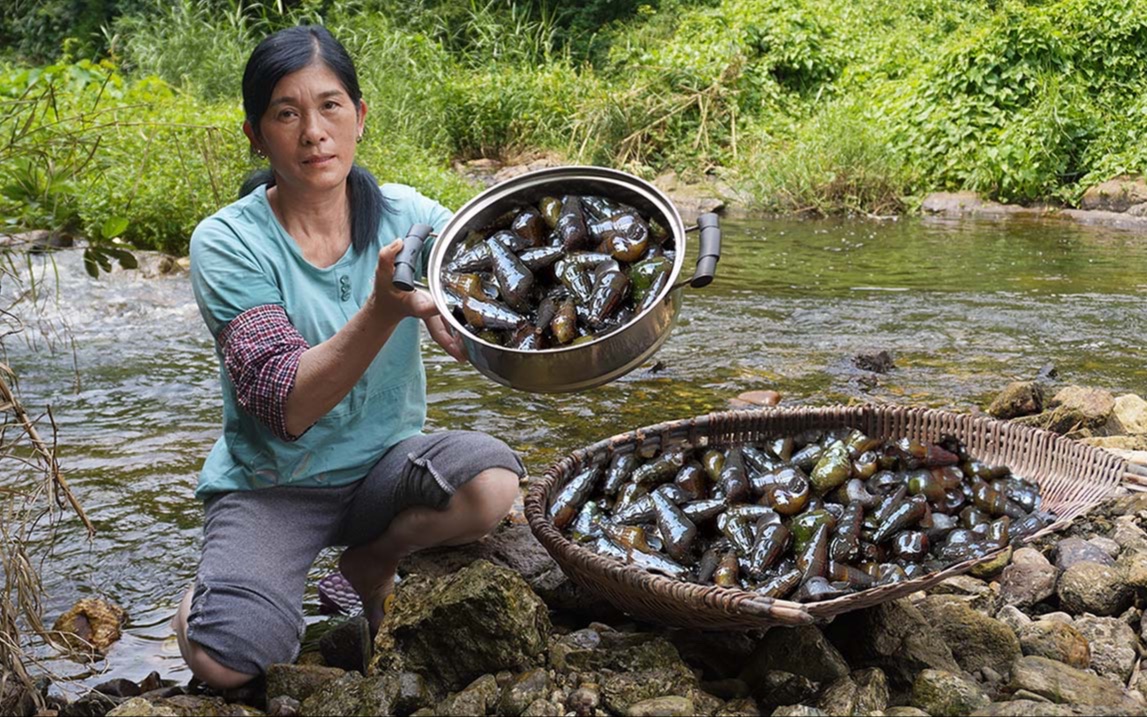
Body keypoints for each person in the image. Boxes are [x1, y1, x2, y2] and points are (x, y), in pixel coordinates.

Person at [174, 24, 524, 689]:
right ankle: (204, 602)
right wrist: (382, 310)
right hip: (272, 483)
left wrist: (478, 330)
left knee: (493, 482)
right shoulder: (225, 243)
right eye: (286, 112)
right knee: (228, 663)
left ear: (360, 117)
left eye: (330, 105)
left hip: (384, 468)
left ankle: (373, 560)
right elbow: (286, 405)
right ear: (255, 133)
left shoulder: (411, 218)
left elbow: (498, 283)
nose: (313, 132)